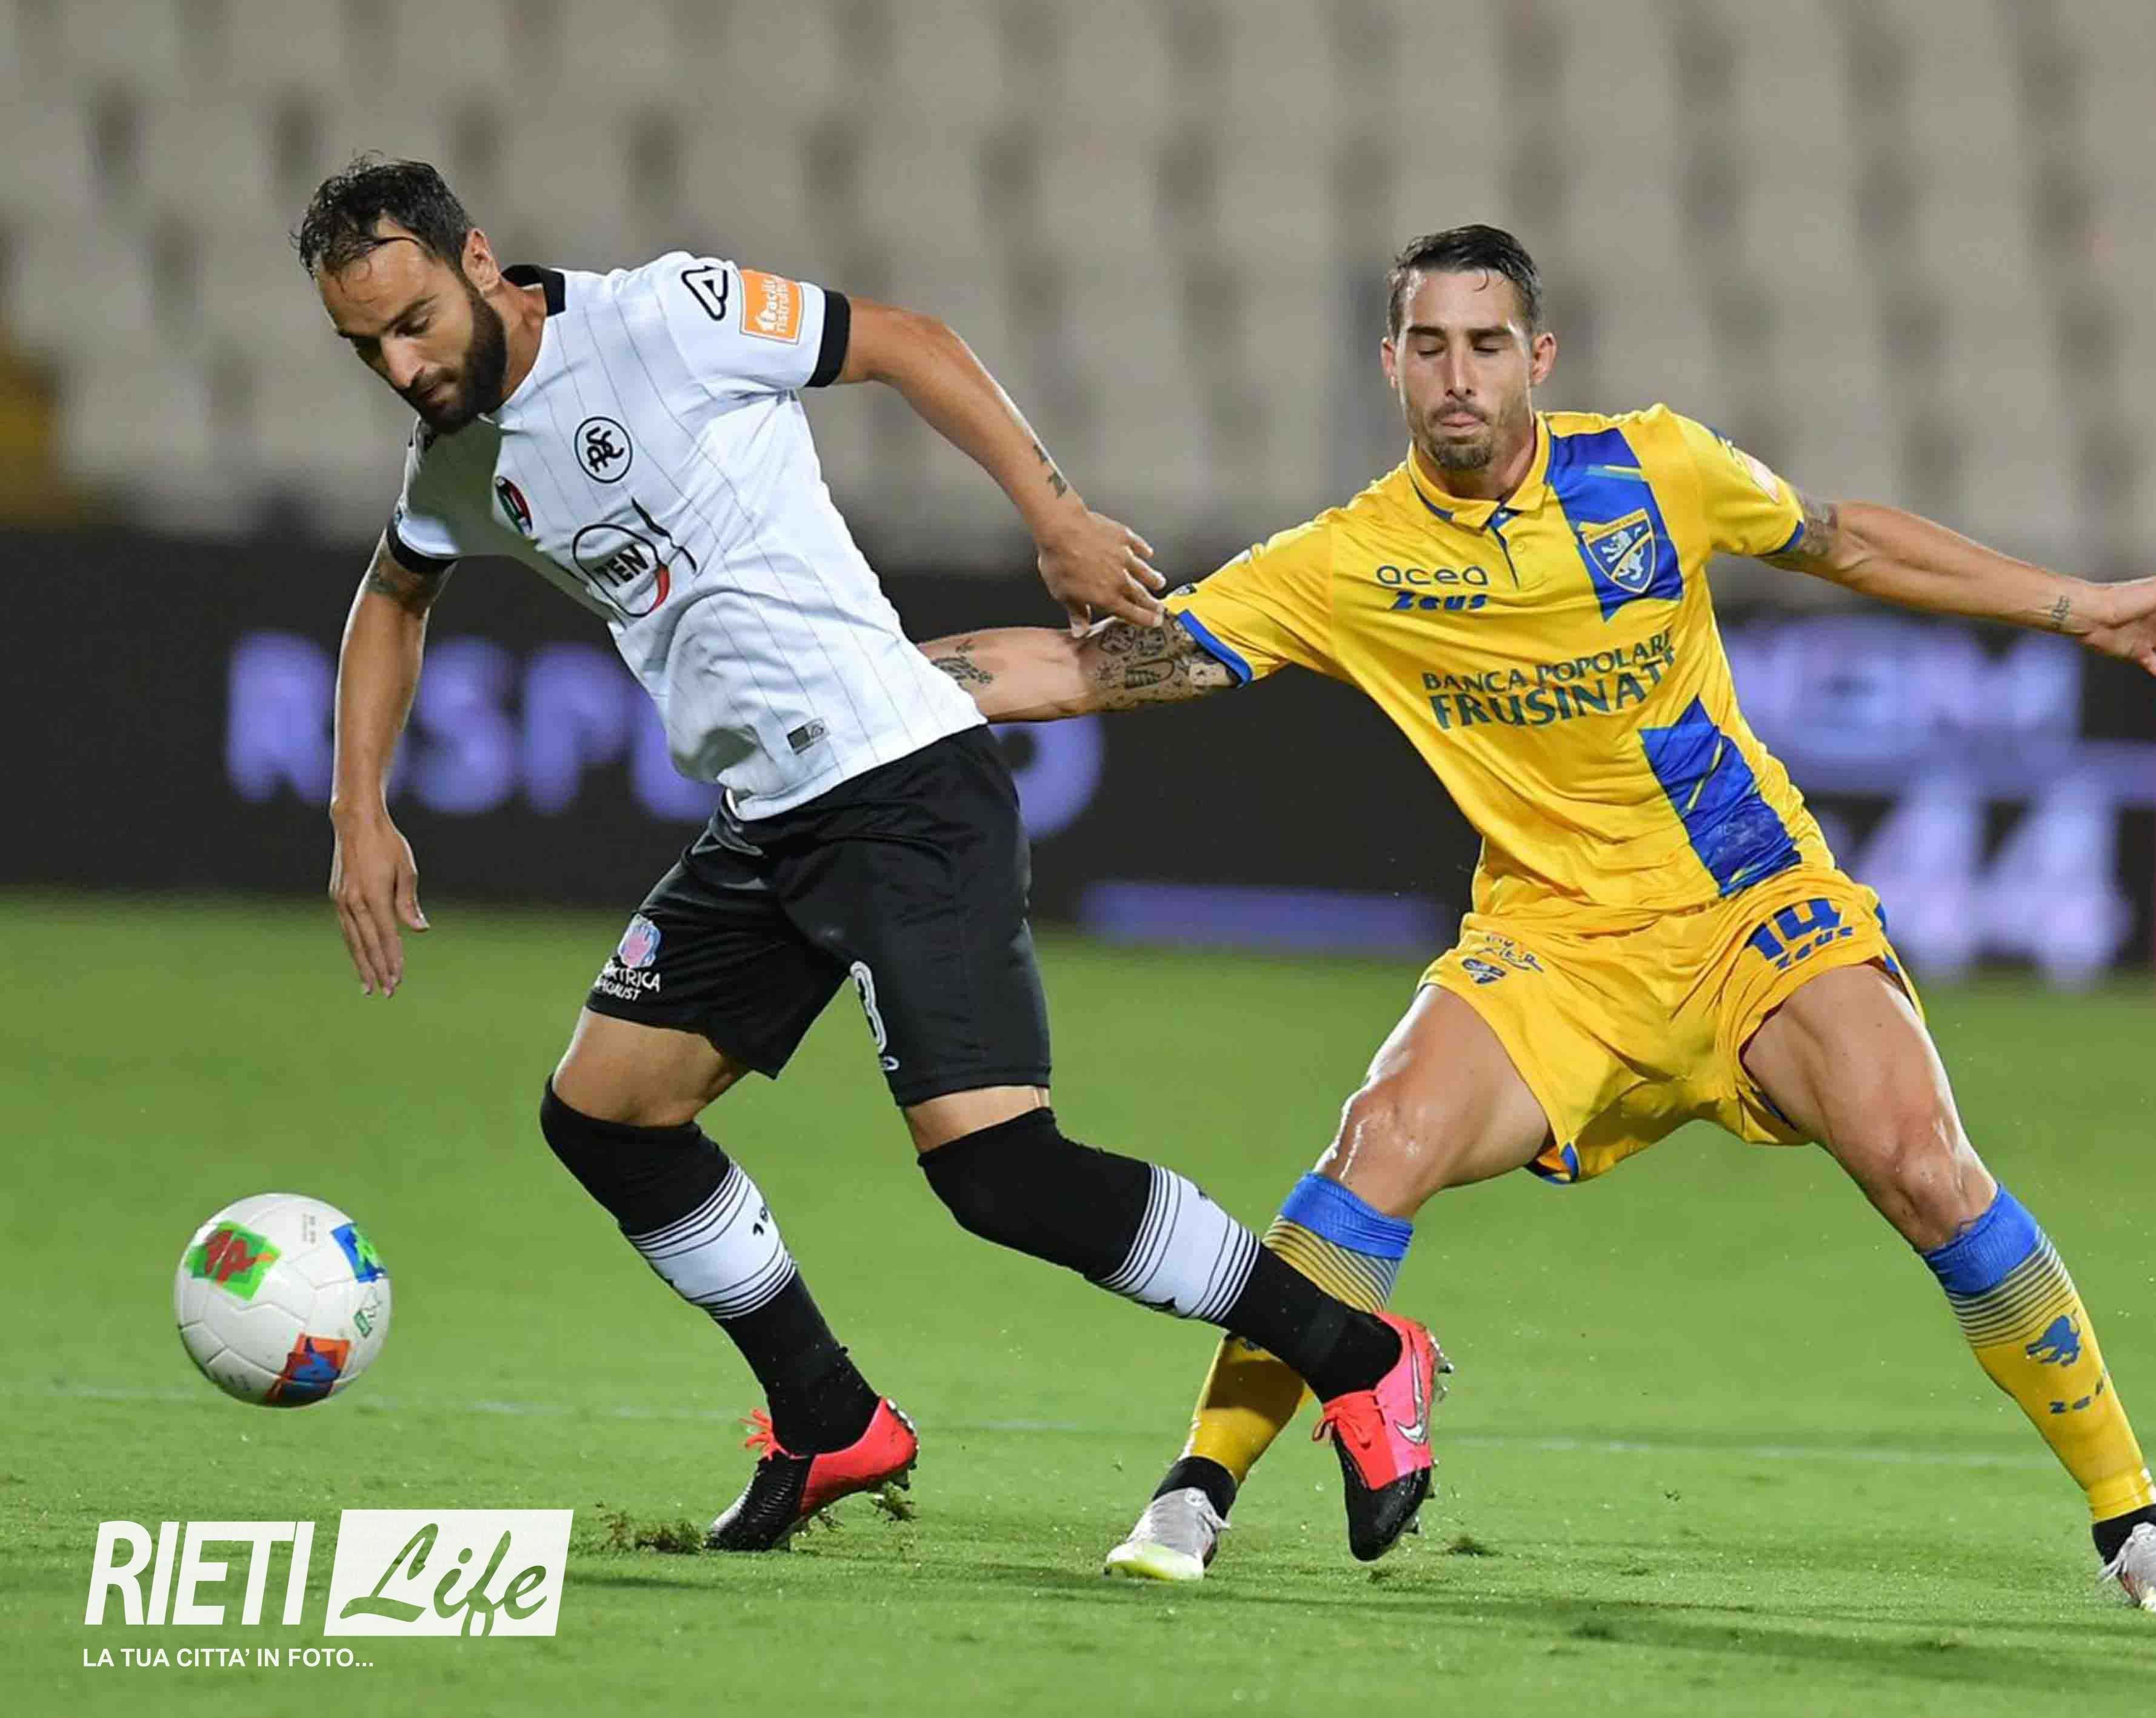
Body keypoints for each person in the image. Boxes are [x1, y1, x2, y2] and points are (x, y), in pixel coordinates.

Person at [920, 224, 2156, 1613]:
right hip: (1553, 945)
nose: (1458, 375)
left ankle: (2132, 1515)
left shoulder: (1652, 466)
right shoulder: (1348, 559)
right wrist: (863, 680)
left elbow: (1837, 537)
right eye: (1429, 345)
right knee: (1380, 1138)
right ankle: (1196, 1486)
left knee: (1924, 1165)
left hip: (1753, 909)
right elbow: (1098, 670)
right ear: (1389, 362)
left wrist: (2080, 606)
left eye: (1486, 344)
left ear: (1536, 357)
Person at [298, 155, 1444, 1560]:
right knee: (603, 1115)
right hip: (768, 818)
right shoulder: (456, 460)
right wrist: (359, 809)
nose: (400, 367)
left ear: (479, 262)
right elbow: (393, 594)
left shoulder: (666, 316)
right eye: (364, 347)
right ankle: (827, 1414)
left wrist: (1054, 517)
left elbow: (910, 342)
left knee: (1001, 1173)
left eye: (413, 322)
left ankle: (1358, 1351)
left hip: (900, 781)